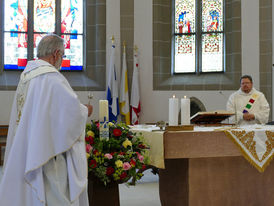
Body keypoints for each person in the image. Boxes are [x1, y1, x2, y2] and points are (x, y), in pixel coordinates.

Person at [0, 34, 93, 206]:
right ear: (56, 53)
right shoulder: (51, 78)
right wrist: (85, 111)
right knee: (54, 194)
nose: (62, 60)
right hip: (47, 153)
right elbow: (70, 111)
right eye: (63, 55)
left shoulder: (27, 75)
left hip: (27, 145)